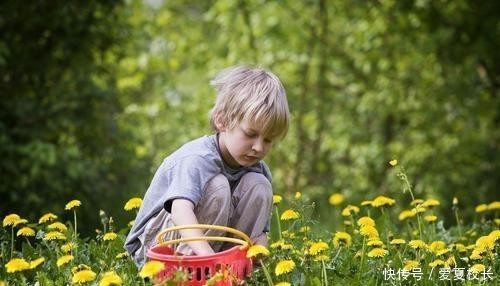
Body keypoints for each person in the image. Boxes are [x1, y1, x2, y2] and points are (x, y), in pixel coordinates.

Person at [124, 66, 290, 266]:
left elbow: (260, 233)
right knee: (218, 186)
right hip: (155, 248)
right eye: (250, 134)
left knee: (259, 185)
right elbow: (180, 210)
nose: (258, 147)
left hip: (210, 247)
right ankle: (193, 271)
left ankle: (233, 272)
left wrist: (259, 250)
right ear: (222, 121)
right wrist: (208, 257)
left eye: (268, 140)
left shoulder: (257, 169)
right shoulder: (197, 158)